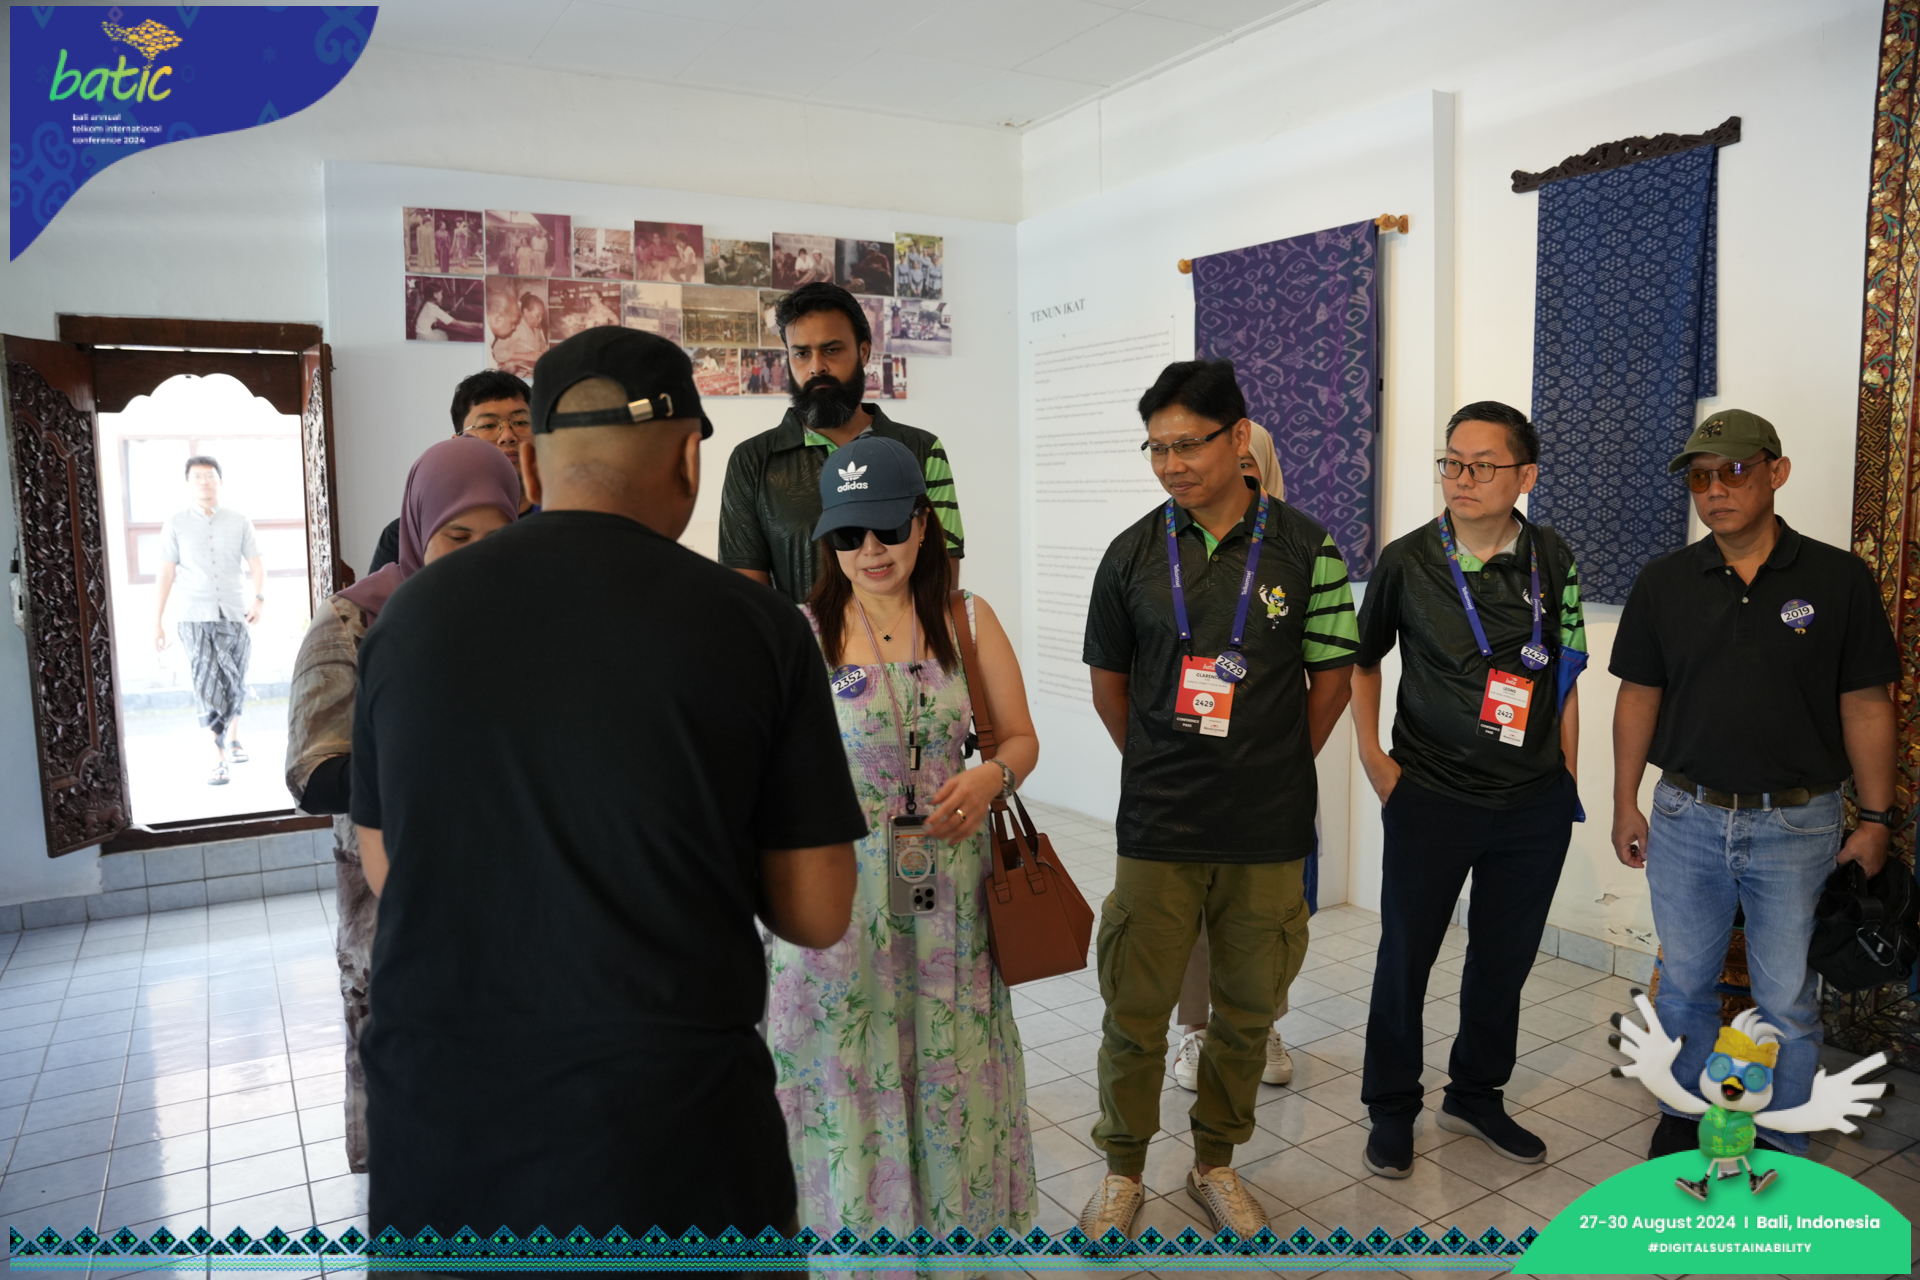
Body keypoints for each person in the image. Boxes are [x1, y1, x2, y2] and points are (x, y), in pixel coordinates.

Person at [351, 327, 863, 1241]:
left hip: (444, 1136)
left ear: (531, 467)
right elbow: (818, 908)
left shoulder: (406, 619)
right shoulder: (757, 628)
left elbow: (391, 868)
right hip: (668, 1141)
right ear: (690, 456)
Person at [1079, 360, 1359, 1240]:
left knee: (1246, 1012)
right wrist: (1160, 763)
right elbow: (1108, 685)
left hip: (1266, 827)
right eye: (1156, 449)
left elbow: (1332, 679)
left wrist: (1271, 765)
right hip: (1158, 824)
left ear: (1239, 438)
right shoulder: (1130, 553)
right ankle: (1123, 1171)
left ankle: (1215, 1163)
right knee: (1135, 1013)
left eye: (1187, 445)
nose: (1170, 465)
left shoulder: (1308, 549)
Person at [767, 435, 1040, 1237]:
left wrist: (992, 778)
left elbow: (1020, 739)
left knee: (947, 1060)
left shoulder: (966, 618)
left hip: (948, 892)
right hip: (841, 894)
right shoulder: (800, 632)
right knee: (851, 1065)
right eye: (848, 535)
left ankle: (951, 1234)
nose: (871, 550)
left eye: (888, 528)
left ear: (923, 522)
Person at [1610, 409, 1899, 1162]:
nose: (1716, 490)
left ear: (1777, 472)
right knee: (1684, 986)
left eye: (1735, 471)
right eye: (1701, 478)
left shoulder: (1837, 579)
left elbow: (1867, 703)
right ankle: (1683, 1117)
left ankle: (1779, 1132)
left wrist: (1876, 819)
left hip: (1798, 825)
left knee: (1787, 1000)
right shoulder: (1665, 582)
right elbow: (1638, 696)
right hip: (1686, 815)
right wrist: (1623, 802)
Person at [1350, 401, 1587, 1178]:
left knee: (1502, 960)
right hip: (1431, 795)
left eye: (1483, 465)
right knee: (1406, 957)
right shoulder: (1408, 559)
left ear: (1526, 475)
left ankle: (1476, 1094)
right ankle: (1392, 1108)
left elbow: (1566, 674)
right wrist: (1375, 760)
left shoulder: (1553, 557)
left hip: (1531, 805)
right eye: (1452, 462)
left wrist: (1567, 775)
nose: (1462, 478)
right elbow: (1362, 662)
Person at [285, 435, 520, 1175]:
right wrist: (437, 753)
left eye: (498, 536)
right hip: (394, 898)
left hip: (509, 900)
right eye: (457, 536)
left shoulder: (528, 618)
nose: (478, 556)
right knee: (419, 1118)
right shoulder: (352, 623)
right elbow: (313, 775)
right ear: (419, 529)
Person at [1171, 418, 1296, 1093]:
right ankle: (1195, 1029)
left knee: (1265, 912)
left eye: (1251, 473)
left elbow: (1328, 672)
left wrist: (1290, 756)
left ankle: (1263, 1020)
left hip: (1268, 769)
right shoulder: (1165, 548)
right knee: (1192, 907)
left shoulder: (1294, 549)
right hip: (1186, 766)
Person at [720, 282, 965, 603]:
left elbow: (942, 581)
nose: (816, 366)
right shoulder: (752, 461)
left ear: (863, 352)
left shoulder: (922, 449)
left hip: (908, 637)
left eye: (831, 350)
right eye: (801, 353)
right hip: (800, 638)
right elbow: (747, 598)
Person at [152, 455, 265, 785]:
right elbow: (166, 573)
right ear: (188, 483)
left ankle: (233, 738)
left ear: (220, 480)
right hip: (193, 616)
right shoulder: (175, 523)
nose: (204, 482)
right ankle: (217, 756)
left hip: (235, 612)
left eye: (210, 476)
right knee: (205, 681)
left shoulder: (239, 520)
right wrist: (156, 621)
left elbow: (256, 563)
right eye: (197, 477)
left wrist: (259, 599)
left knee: (235, 677)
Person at [369, 370, 534, 574]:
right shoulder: (406, 536)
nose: (507, 436)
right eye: (488, 425)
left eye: (521, 422)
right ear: (458, 443)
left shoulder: (556, 526)